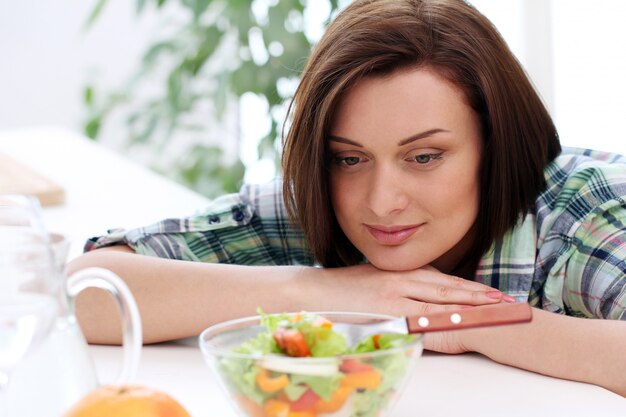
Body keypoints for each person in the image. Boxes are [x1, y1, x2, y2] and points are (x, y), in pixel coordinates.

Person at [68, 0, 626, 396]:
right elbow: (84, 290)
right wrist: (328, 290)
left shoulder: (585, 215)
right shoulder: (320, 203)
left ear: (495, 144)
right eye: (350, 158)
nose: (381, 202)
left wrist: (467, 323)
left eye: (424, 157)